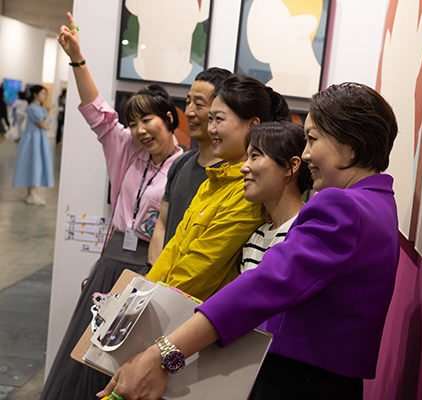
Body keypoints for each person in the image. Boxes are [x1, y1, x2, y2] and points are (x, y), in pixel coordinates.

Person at [99, 82, 401, 400]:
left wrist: (164, 352)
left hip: (302, 382)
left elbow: (265, 284)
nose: (306, 154)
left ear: (351, 145)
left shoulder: (344, 206)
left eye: (312, 139)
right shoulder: (379, 204)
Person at [40, 13, 184, 399]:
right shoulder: (126, 150)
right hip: (111, 266)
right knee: (86, 359)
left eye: (148, 120)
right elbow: (98, 113)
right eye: (133, 123)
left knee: (126, 366)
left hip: (150, 270)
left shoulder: (185, 167)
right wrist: (77, 58)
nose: (140, 130)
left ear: (169, 118)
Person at [146, 74, 292, 300]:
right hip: (167, 300)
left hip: (192, 309)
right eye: (210, 119)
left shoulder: (250, 191)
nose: (211, 129)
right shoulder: (211, 182)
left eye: (219, 120)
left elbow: (201, 265)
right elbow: (174, 247)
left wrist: (153, 299)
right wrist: (143, 292)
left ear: (252, 125)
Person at [147, 67, 232, 265]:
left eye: (199, 104)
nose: (188, 112)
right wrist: (153, 273)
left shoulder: (232, 172)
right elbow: (162, 224)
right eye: (187, 102)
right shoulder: (180, 163)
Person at [239, 120, 312, 274]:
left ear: (291, 166)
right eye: (246, 158)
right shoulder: (255, 237)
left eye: (254, 156)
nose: (243, 167)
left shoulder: (307, 231)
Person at [12, 85, 55, 205]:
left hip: (39, 140)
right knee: (34, 165)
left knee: (37, 165)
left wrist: (46, 123)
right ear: (35, 94)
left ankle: (31, 194)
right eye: (42, 93)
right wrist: (50, 113)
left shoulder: (40, 108)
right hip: (33, 141)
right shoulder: (32, 107)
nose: (45, 96)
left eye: (45, 93)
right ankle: (31, 195)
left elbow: (46, 125)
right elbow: (42, 124)